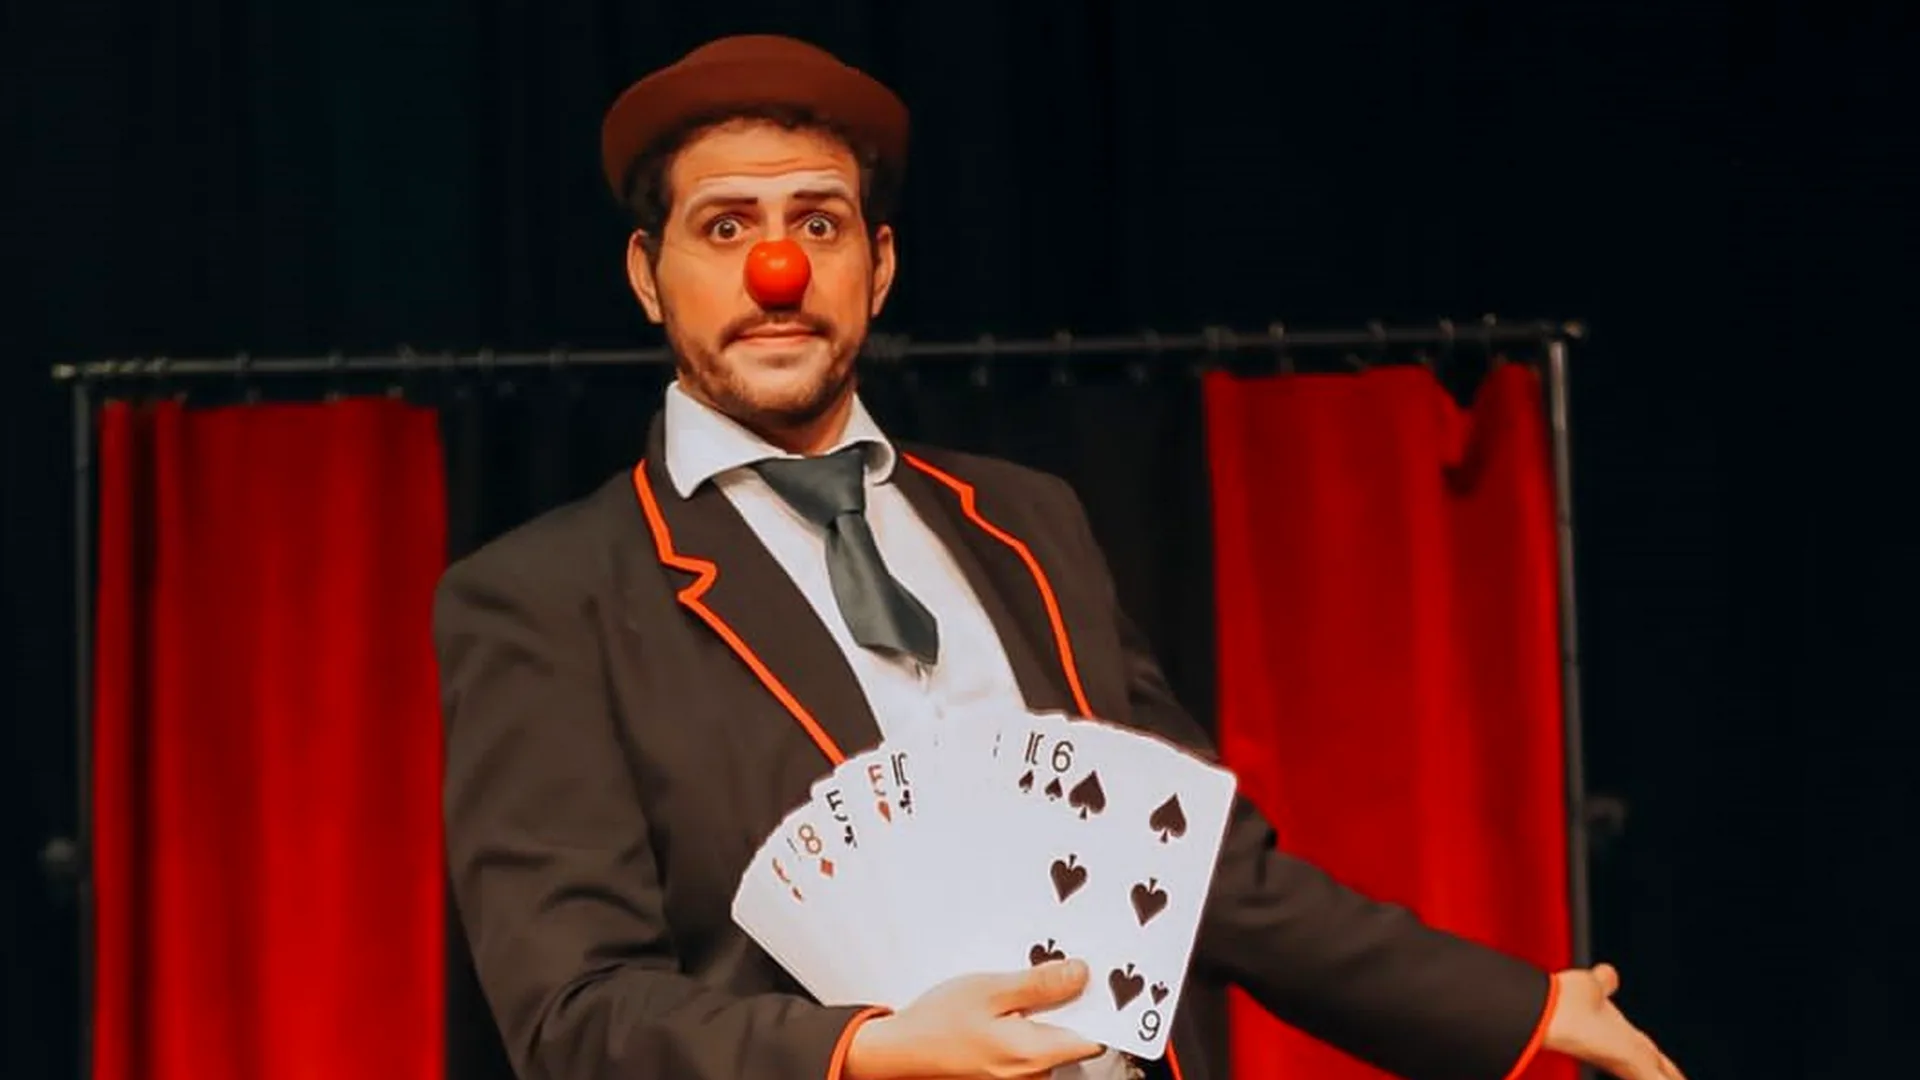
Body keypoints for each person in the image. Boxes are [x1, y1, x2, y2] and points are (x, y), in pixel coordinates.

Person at [433, 32, 1685, 1080]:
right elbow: (574, 1018)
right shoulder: (542, 599)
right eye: (725, 227)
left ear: (880, 265)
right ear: (648, 277)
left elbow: (1199, 868)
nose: (779, 268)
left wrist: (1524, 1009)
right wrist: (867, 1051)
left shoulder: (1025, 523)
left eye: (819, 221)